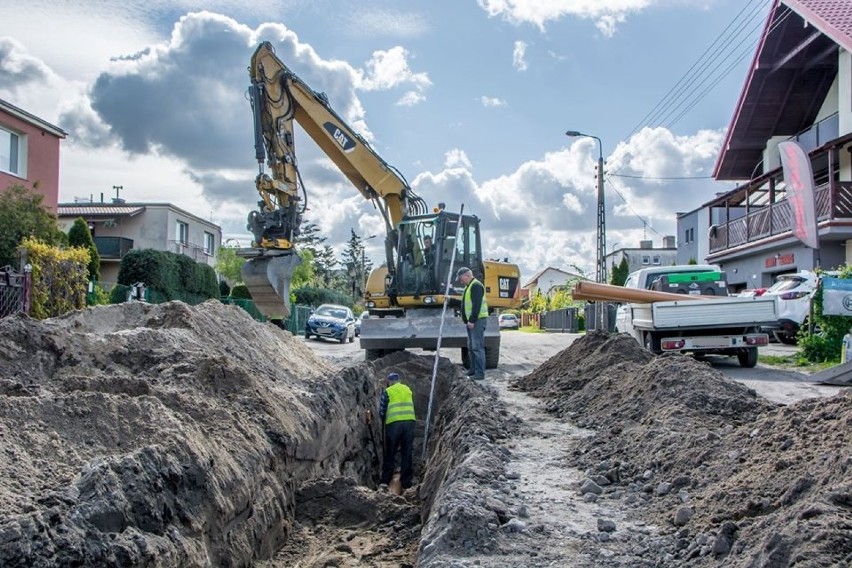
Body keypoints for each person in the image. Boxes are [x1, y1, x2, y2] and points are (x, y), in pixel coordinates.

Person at [378, 372, 416, 489]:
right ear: (399, 381)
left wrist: (382, 418)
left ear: (389, 382)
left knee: (390, 452)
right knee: (407, 452)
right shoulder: (407, 389)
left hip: (394, 424)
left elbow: (382, 410)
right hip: (409, 423)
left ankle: (385, 480)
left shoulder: (388, 391)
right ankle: (406, 482)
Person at [456, 266, 488, 380]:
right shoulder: (469, 287)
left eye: (461, 279)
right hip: (472, 322)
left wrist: (472, 320)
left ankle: (479, 373)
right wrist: (450, 299)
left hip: (477, 321)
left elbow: (476, 305)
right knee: (471, 347)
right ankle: (473, 370)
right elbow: (465, 303)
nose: (461, 281)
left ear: (467, 275)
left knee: (477, 347)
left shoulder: (476, 286)